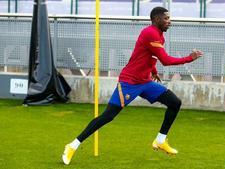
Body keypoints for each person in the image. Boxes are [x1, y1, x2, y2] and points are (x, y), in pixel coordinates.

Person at [62, 6, 203, 165]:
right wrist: (189, 58)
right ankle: (72, 145)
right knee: (108, 116)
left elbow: (149, 55)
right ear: (156, 19)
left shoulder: (159, 36)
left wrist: (153, 70)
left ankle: (160, 140)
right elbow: (166, 60)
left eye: (169, 19)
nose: (169, 22)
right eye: (166, 18)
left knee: (174, 103)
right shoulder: (150, 33)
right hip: (129, 82)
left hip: (145, 82)